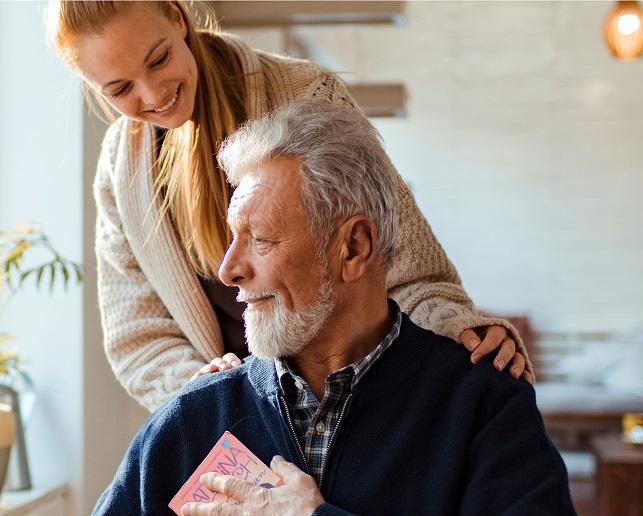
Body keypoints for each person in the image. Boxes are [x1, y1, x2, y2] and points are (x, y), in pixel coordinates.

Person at [71, 101, 590, 516]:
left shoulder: (483, 400)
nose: (229, 269)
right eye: (233, 238)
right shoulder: (194, 416)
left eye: (261, 240)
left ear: (353, 248)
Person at [47, 1, 533, 411]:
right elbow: (139, 334)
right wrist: (202, 390)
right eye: (119, 89)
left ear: (177, 18)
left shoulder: (305, 94)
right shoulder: (120, 170)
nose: (152, 94)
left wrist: (459, 330)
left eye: (158, 60)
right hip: (233, 424)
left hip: (357, 397)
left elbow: (401, 258)